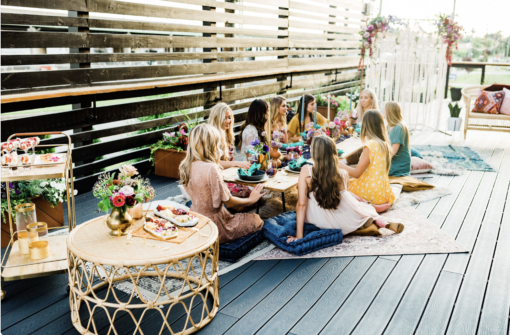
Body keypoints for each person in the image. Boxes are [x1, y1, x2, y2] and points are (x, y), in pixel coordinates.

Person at [286, 136, 403, 243]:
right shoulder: (343, 174)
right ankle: (378, 221)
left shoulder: (306, 171)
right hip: (341, 220)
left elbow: (301, 205)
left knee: (310, 197)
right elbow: (344, 199)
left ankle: (370, 220)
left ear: (315, 153)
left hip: (317, 219)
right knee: (364, 208)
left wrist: (299, 236)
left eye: (311, 147)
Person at [180, 124, 266, 244]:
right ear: (211, 144)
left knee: (238, 216)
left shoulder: (186, 165)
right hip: (214, 227)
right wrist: (251, 199)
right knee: (256, 220)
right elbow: (229, 202)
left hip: (195, 220)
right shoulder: (211, 168)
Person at [339, 110, 396, 210]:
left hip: (370, 193)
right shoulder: (385, 144)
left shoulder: (370, 145)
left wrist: (338, 163)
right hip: (383, 193)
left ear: (366, 125)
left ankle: (367, 205)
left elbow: (356, 174)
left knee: (340, 186)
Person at [208, 102, 252, 197]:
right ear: (217, 119)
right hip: (217, 177)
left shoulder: (227, 134)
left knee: (252, 193)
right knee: (243, 194)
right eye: (225, 118)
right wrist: (236, 163)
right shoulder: (211, 136)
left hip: (229, 174)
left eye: (229, 117)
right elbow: (214, 163)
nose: (228, 121)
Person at [347, 89, 379, 164]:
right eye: (361, 98)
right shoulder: (357, 112)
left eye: (366, 98)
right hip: (355, 141)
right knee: (349, 159)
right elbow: (351, 128)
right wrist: (350, 120)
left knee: (352, 159)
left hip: (367, 143)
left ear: (371, 100)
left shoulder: (374, 113)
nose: (363, 100)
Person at [385, 101, 411, 177]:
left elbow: (394, 150)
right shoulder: (388, 126)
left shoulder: (399, 127)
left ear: (390, 112)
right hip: (392, 162)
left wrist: (381, 161)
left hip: (399, 166)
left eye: (385, 110)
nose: (383, 111)